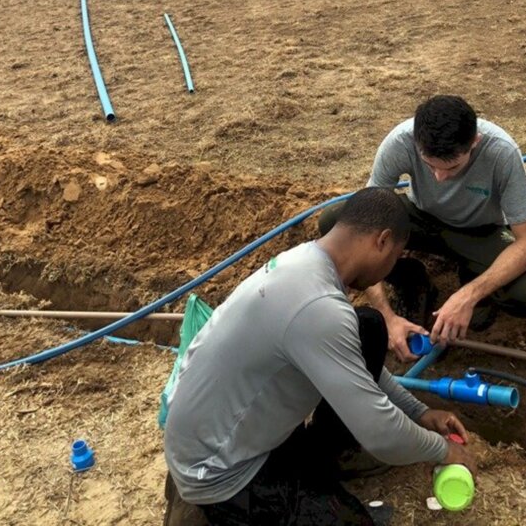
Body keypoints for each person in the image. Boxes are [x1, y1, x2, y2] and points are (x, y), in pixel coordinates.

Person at [163, 187, 476, 526]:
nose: (389, 270)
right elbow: (381, 434)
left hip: (228, 430)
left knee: (367, 326)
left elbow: (350, 365)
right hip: (220, 473)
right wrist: (443, 450)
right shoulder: (318, 307)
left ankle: (331, 458)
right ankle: (203, 513)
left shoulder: (306, 262)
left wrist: (420, 412)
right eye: (395, 256)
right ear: (383, 241)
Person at [319, 95, 526, 361]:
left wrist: (468, 296)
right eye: (430, 166)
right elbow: (363, 226)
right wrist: (387, 316)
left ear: (475, 142)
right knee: (336, 223)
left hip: (479, 230)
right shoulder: (400, 142)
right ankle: (410, 279)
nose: (440, 178)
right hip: (418, 218)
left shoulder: (501, 153)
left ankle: (472, 278)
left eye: (452, 167)